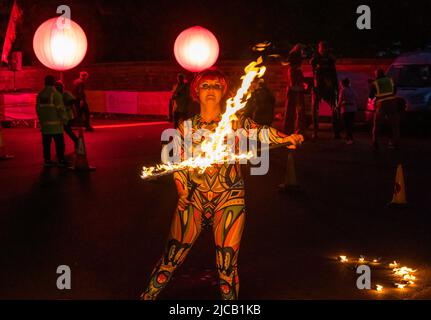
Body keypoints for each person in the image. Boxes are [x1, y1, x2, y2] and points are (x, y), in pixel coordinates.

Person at [141, 68, 303, 300]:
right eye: (205, 85)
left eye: (216, 86)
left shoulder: (235, 123)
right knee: (170, 260)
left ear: (224, 92)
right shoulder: (186, 127)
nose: (210, 90)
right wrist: (182, 189)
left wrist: (286, 138)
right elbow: (178, 165)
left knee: (227, 266)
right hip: (194, 201)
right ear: (196, 90)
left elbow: (262, 133)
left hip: (229, 199)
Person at [310, 41, 339, 139]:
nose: (322, 50)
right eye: (321, 48)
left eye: (323, 48)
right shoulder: (317, 58)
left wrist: (335, 87)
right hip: (319, 87)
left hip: (327, 87)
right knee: (315, 109)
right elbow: (313, 67)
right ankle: (315, 132)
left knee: (334, 108)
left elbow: (333, 73)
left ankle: (335, 132)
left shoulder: (328, 59)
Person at [36, 75, 67, 167]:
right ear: (53, 83)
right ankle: (61, 160)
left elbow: (38, 109)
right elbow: (60, 109)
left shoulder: (40, 94)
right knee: (60, 144)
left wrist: (41, 120)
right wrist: (65, 119)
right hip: (56, 126)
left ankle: (47, 160)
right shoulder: (56, 94)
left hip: (45, 126)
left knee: (46, 144)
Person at [369, 69, 401, 149]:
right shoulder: (390, 80)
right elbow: (395, 91)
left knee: (377, 123)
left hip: (381, 104)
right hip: (392, 103)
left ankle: (375, 141)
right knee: (394, 124)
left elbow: (371, 96)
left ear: (377, 75)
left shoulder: (375, 83)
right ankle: (396, 142)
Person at [283, 44, 306, 135]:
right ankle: (294, 130)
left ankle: (292, 130)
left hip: (296, 89)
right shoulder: (293, 70)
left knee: (294, 110)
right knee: (294, 109)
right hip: (295, 89)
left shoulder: (294, 70)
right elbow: (293, 82)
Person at [55, 80, 79, 148]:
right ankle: (75, 140)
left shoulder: (65, 93)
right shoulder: (59, 94)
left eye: (59, 87)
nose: (58, 88)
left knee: (66, 129)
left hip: (67, 115)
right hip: (65, 115)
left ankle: (76, 141)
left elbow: (72, 102)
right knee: (66, 130)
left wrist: (66, 105)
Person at [337, 78, 357, 144]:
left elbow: (340, 100)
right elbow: (356, 98)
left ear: (343, 84)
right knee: (350, 125)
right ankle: (350, 137)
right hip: (353, 109)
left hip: (346, 110)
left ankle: (349, 139)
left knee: (346, 125)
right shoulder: (352, 90)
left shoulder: (343, 91)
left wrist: (337, 106)